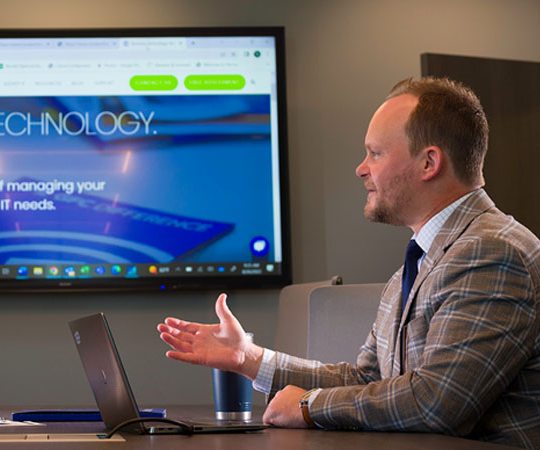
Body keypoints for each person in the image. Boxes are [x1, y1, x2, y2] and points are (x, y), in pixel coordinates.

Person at [158, 77, 540, 448]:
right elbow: (366, 378)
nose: (361, 168)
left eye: (375, 153)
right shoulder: (420, 263)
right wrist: (250, 359)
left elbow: (437, 402)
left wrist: (309, 406)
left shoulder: (492, 252)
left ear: (429, 163)